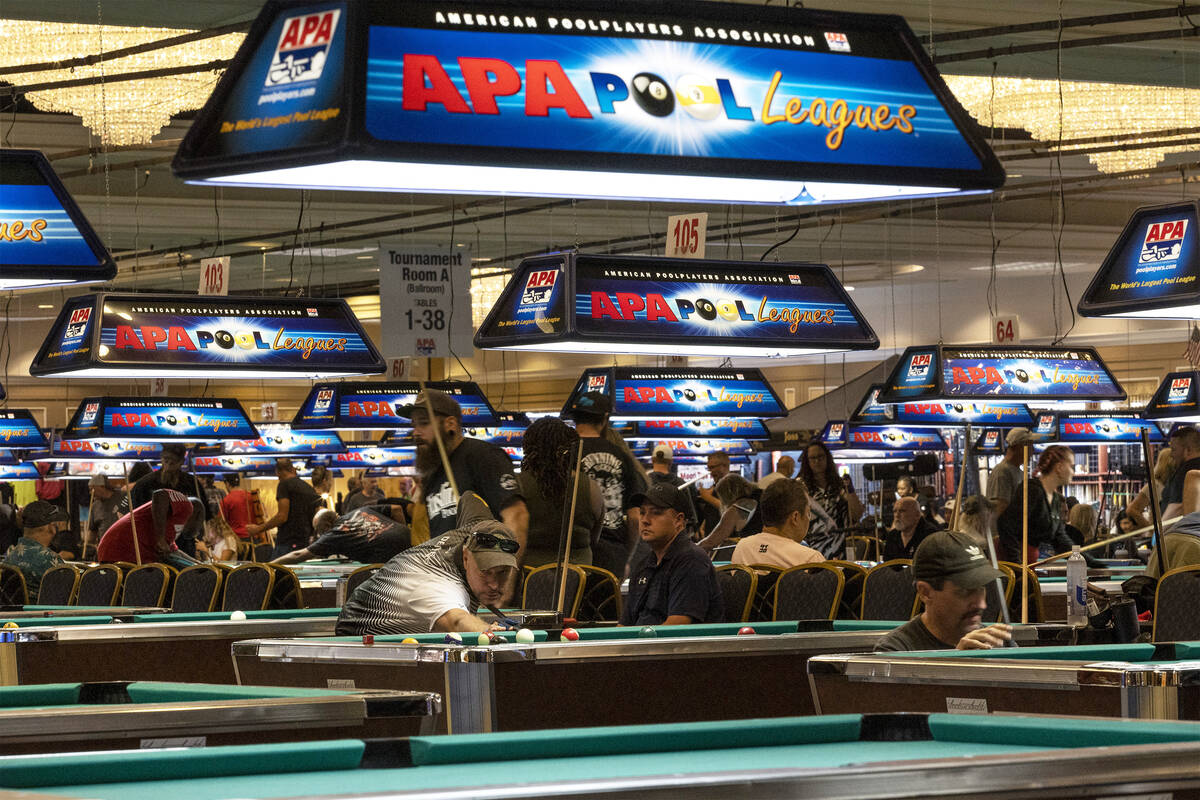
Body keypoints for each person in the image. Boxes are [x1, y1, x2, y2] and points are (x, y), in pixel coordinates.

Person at [336, 493, 520, 635]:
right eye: (485, 571)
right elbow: (457, 621)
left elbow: (469, 497)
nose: (495, 584)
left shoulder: (476, 529)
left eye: (503, 572)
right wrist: (487, 631)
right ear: (465, 557)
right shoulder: (441, 585)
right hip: (358, 642)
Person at [402, 389, 528, 550]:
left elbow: (516, 515)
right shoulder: (432, 474)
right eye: (414, 425)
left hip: (484, 571)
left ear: (450, 424)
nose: (416, 432)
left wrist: (508, 570)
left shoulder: (482, 456)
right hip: (445, 572)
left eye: (424, 423)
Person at [874, 530, 1013, 651]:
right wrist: (957, 664)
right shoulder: (894, 651)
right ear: (925, 592)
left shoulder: (999, 643)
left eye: (981, 589)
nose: (982, 604)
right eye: (965, 591)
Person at [564, 392, 645, 578]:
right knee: (608, 606)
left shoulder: (564, 453)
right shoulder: (621, 456)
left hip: (573, 553)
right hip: (612, 553)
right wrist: (627, 555)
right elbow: (634, 518)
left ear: (574, 418)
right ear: (605, 418)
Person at [621, 484, 723, 626]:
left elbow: (677, 626)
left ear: (679, 520)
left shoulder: (692, 560)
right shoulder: (644, 564)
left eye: (656, 512)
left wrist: (633, 645)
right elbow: (625, 624)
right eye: (642, 512)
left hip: (677, 647)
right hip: (644, 645)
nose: (645, 520)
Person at [516, 417, 602, 568]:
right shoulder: (590, 487)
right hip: (578, 578)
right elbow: (594, 538)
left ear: (528, 448)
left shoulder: (517, 485)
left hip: (527, 577)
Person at [130, 445, 208, 558]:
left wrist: (200, 537)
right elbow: (134, 516)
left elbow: (202, 515)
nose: (169, 464)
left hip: (184, 544)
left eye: (174, 461)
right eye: (166, 460)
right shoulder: (145, 484)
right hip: (152, 545)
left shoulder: (192, 483)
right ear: (161, 459)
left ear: (182, 461)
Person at [96, 489, 204, 570]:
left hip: (116, 552)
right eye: (200, 523)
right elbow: (160, 494)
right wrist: (160, 539)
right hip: (122, 551)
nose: (198, 530)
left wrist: (200, 565)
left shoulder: (171, 525)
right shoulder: (187, 505)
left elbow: (174, 552)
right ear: (198, 515)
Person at [272, 503, 411, 565]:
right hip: (410, 539)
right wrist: (402, 534)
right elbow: (397, 509)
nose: (321, 536)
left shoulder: (334, 534)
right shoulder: (362, 510)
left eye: (320, 532)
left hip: (390, 555)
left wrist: (269, 564)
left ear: (326, 527)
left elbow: (298, 554)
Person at [731, 479, 823, 569]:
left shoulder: (741, 548)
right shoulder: (811, 560)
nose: (809, 519)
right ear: (795, 517)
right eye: (808, 513)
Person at [798, 440, 864, 558]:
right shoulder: (801, 487)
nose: (817, 461)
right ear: (807, 462)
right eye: (813, 458)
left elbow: (857, 514)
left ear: (827, 458)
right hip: (810, 548)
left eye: (820, 457)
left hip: (839, 548)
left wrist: (850, 489)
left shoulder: (839, 485)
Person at [246, 459, 320, 559]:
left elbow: (282, 516)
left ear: (278, 472)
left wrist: (258, 529)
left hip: (287, 543)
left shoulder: (284, 485)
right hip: (305, 543)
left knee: (274, 572)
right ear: (293, 470)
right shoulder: (308, 488)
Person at [3, 501, 68, 598]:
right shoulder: (50, 560)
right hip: (42, 612)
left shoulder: (10, 556)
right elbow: (68, 597)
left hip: (11, 612)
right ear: (51, 527)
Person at [697, 474, 762, 553]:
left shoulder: (740, 506)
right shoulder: (761, 495)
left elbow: (712, 540)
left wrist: (693, 549)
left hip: (756, 551)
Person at [645, 444, 698, 527]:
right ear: (671, 462)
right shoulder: (681, 483)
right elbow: (690, 515)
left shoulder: (644, 481)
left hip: (650, 529)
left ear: (652, 460)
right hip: (675, 531)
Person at [1126, 446, 1174, 529]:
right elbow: (1132, 510)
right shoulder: (1155, 485)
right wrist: (1150, 528)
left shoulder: (1175, 483)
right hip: (1161, 534)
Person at [883, 496, 936, 561]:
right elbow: (886, 564)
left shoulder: (930, 535)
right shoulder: (892, 535)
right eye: (895, 511)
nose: (897, 515)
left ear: (917, 515)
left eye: (902, 511)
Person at [85, 475, 123, 558]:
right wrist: (87, 545)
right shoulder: (95, 506)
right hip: (104, 549)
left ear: (102, 486)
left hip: (122, 547)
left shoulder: (123, 498)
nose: (90, 493)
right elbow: (92, 532)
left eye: (92, 489)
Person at [695, 451, 731, 535]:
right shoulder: (717, 485)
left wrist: (707, 497)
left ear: (724, 466)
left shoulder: (732, 484)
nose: (711, 472)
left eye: (713, 467)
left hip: (726, 539)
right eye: (709, 468)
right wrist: (703, 527)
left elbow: (730, 509)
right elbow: (712, 511)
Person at [220, 473, 253, 540]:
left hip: (236, 539)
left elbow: (221, 522)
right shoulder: (251, 496)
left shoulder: (226, 500)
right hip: (253, 536)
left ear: (227, 484)